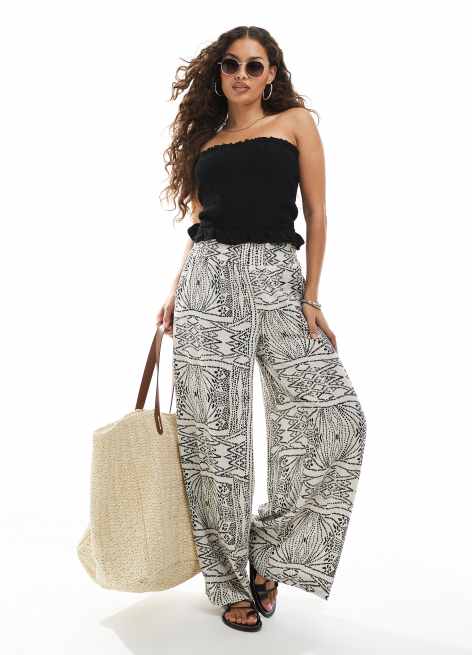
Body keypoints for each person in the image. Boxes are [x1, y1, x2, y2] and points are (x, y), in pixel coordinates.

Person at [156, 26, 367, 633]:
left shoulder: (295, 123)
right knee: (214, 439)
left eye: (254, 65)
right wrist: (174, 290)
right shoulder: (206, 141)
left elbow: (317, 213)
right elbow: (201, 225)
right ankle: (228, 580)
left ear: (272, 72)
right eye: (231, 65)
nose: (242, 75)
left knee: (336, 419)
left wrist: (312, 296)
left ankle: (270, 555)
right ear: (218, 73)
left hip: (278, 277)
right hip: (208, 284)